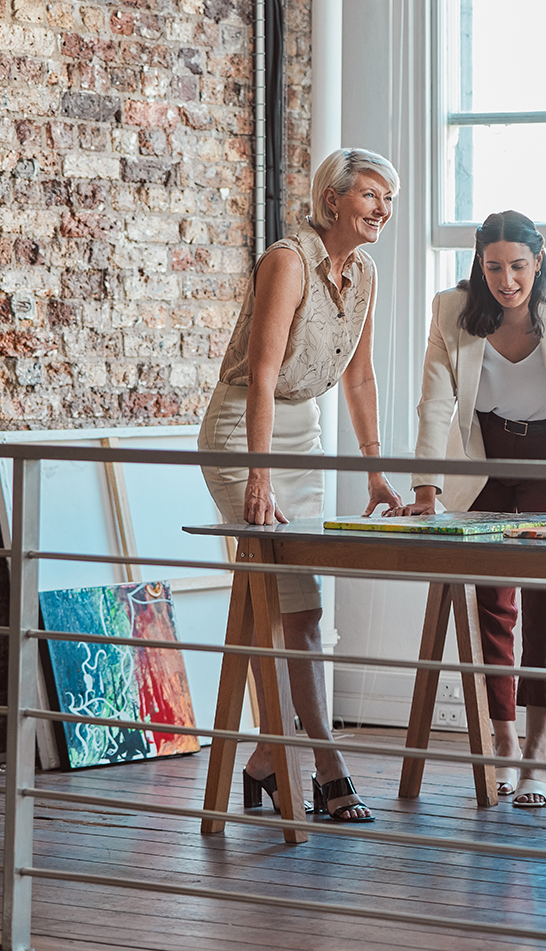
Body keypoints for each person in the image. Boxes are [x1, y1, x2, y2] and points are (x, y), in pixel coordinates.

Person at [199, 148, 404, 824]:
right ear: (335, 198)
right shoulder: (287, 260)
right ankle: (324, 762)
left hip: (304, 431)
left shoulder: (364, 273)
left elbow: (361, 376)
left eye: (389, 200)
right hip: (244, 430)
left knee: (305, 608)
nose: (383, 210)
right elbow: (259, 375)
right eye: (372, 195)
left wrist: (374, 467)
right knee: (278, 601)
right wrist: (259, 472)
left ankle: (268, 758)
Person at [394, 209, 546, 809]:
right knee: (491, 601)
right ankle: (504, 745)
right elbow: (434, 403)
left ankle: (539, 757)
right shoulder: (453, 308)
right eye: (494, 267)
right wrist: (426, 490)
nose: (507, 280)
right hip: (484, 460)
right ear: (479, 262)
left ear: (538, 260)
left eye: (518, 266)